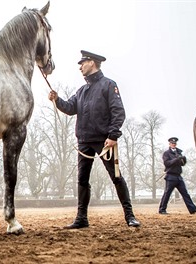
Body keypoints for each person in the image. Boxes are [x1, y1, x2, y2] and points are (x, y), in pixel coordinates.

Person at [48, 50, 140, 228]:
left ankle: (130, 216)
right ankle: (81, 218)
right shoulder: (81, 91)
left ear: (92, 62)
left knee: (116, 177)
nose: (80, 67)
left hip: (104, 141)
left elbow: (118, 112)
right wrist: (57, 99)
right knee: (82, 180)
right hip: (84, 141)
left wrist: (113, 136)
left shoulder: (108, 85)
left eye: (82, 63)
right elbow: (69, 107)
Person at [158, 137, 196, 215]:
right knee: (167, 194)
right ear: (169, 144)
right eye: (172, 143)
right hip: (170, 176)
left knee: (185, 193)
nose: (173, 144)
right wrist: (176, 159)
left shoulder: (179, 152)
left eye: (174, 143)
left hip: (178, 176)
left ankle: (192, 209)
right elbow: (167, 163)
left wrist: (183, 160)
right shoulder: (166, 153)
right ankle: (162, 209)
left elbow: (182, 164)